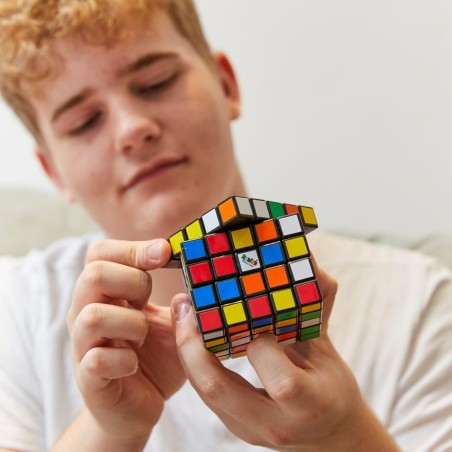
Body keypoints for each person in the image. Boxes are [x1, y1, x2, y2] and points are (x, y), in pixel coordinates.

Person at [0, 1, 450, 450]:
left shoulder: (419, 302)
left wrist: (342, 435)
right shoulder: (17, 308)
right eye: (84, 123)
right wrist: (110, 431)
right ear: (53, 173)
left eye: (156, 84)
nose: (133, 128)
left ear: (226, 86)